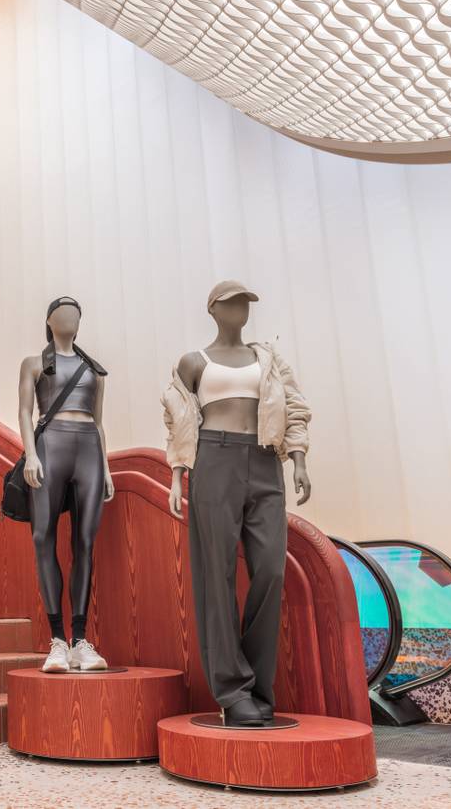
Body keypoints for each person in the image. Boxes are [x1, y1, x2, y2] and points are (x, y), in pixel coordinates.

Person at [161, 280, 312, 726]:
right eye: (231, 303)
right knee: (217, 574)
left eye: (245, 302)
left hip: (265, 460)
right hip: (214, 459)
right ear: (212, 309)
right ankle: (232, 691)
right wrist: (176, 476)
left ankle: (259, 687)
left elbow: (295, 408)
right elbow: (179, 420)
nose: (240, 309)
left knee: (271, 569)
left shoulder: (268, 359)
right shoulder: (194, 361)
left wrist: (299, 460)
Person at [17, 296, 114, 673]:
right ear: (49, 321)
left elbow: (99, 422)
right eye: (63, 313)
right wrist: (30, 454)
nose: (70, 318)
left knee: (85, 542)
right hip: (50, 446)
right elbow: (26, 411)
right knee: (42, 536)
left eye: (76, 313)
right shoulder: (34, 364)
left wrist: (106, 469)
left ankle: (79, 641)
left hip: (88, 449)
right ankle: (57, 639)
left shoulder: (94, 370)